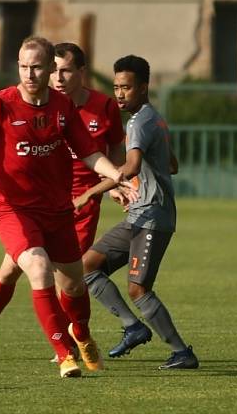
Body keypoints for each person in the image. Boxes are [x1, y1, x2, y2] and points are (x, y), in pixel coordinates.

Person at [0, 42, 143, 361]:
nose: (30, 73)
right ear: (18, 66)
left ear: (50, 70)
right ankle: (64, 353)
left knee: (70, 284)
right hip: (12, 210)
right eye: (24, 67)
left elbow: (90, 152)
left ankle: (74, 333)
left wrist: (116, 175)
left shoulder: (63, 107)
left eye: (37, 67)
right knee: (38, 269)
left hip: (58, 210)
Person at [73, 54, 199, 369]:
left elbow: (130, 166)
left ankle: (181, 352)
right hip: (139, 214)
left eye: (126, 87)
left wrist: (90, 192)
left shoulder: (139, 121)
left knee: (138, 287)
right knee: (87, 266)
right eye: (116, 87)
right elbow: (173, 164)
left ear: (143, 88)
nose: (119, 93)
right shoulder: (153, 118)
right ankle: (133, 327)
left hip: (152, 218)